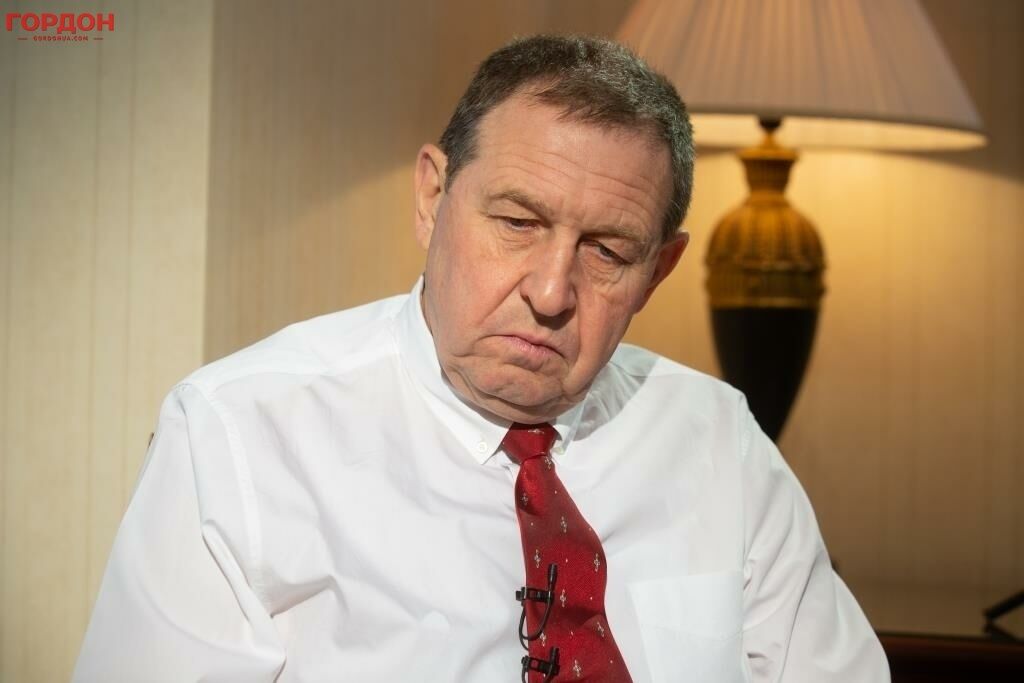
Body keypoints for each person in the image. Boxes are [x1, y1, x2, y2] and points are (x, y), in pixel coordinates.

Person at [74, 35, 889, 682]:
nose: (551, 291)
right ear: (433, 198)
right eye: (517, 223)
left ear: (658, 272)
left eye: (607, 250)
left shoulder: (721, 441)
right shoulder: (239, 436)